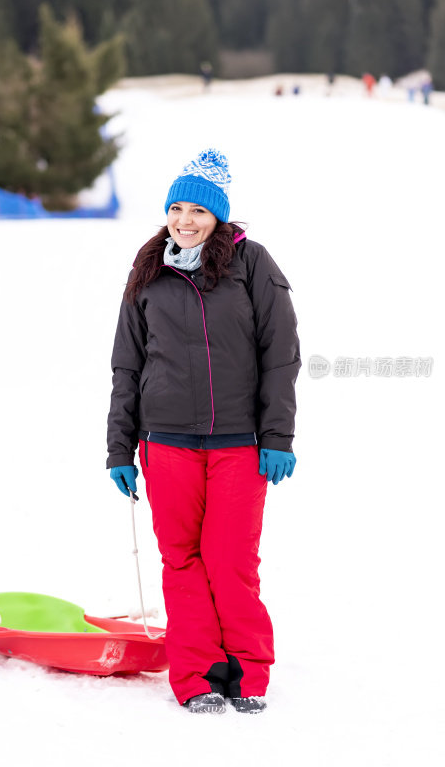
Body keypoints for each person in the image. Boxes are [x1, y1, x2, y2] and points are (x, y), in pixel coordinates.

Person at [106, 148, 301, 714]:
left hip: (240, 442)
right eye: (176, 208)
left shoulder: (253, 264)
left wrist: (278, 436)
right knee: (182, 558)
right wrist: (120, 446)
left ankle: (247, 669)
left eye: (198, 209)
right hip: (164, 442)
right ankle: (197, 673)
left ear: (219, 216)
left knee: (229, 558)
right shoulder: (148, 271)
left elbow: (280, 354)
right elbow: (128, 363)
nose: (185, 219)